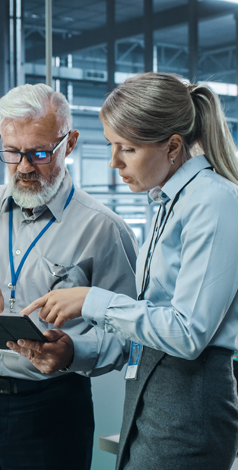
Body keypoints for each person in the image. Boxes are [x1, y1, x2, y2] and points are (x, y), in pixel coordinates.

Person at [14, 72, 238, 470]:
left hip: (190, 403)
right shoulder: (167, 205)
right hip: (152, 395)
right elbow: (148, 326)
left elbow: (187, 334)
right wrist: (72, 351)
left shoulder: (214, 202)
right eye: (111, 146)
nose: (114, 162)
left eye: (128, 149)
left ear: (172, 147)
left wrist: (91, 301)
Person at [0, 83, 138, 470]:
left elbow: (131, 333)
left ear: (70, 143)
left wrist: (73, 352)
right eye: (12, 152)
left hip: (52, 408)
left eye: (39, 152)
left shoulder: (103, 230)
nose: (25, 166)